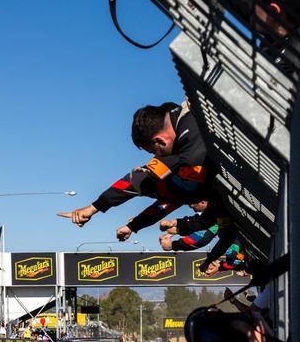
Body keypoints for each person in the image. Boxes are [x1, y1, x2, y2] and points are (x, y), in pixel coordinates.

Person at [57, 102, 212, 243]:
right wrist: (133, 225)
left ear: (160, 141)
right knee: (164, 183)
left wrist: (149, 171)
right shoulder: (181, 122)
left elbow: (145, 181)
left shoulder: (191, 126)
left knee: (172, 183)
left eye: (154, 151)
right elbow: (167, 202)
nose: (157, 156)